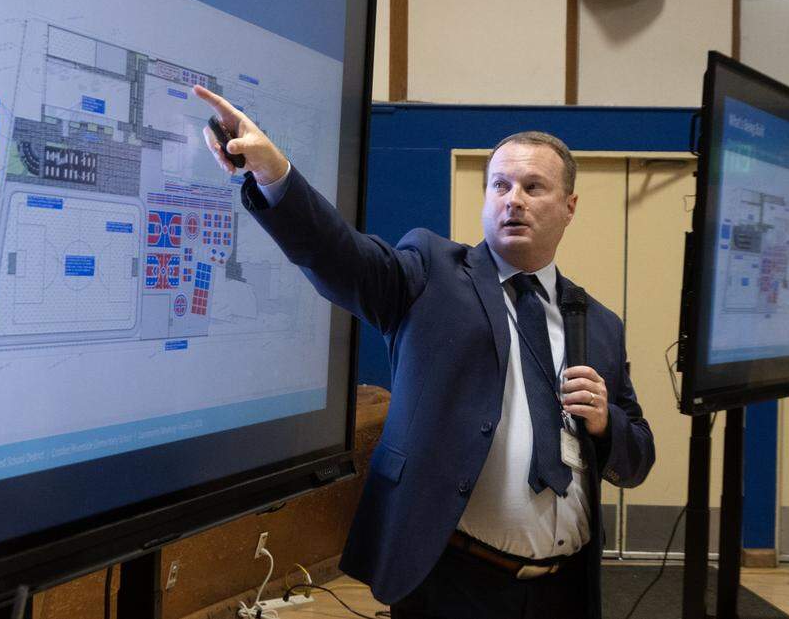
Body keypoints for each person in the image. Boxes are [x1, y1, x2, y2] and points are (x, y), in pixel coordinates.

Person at [194, 85, 655, 619]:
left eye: (534, 187)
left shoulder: (598, 323)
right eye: (500, 185)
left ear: (569, 206)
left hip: (565, 590)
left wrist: (605, 425)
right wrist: (274, 174)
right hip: (454, 583)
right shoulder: (431, 273)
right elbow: (340, 255)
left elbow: (637, 455)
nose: (514, 199)